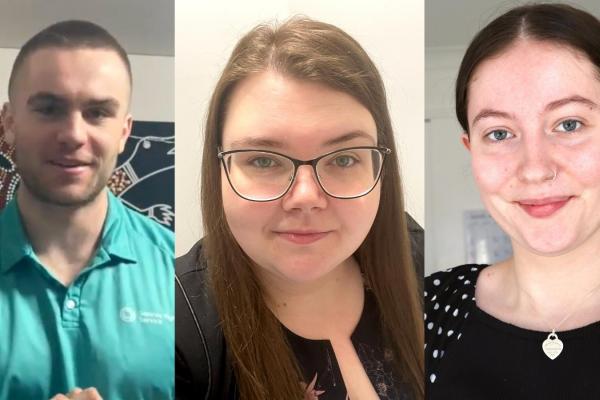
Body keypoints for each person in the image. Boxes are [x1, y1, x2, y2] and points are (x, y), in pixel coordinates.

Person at [175, 17, 424, 400]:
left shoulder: (418, 257)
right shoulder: (172, 324)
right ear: (218, 170)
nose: (306, 197)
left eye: (343, 159)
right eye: (262, 160)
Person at [425, 3, 600, 399]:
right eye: (500, 134)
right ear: (471, 151)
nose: (535, 169)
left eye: (569, 124)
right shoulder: (427, 308)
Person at [0, 20, 174, 399]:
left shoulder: (184, 276)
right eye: (48, 109)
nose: (74, 135)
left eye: (97, 113)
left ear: (124, 132)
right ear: (9, 122)